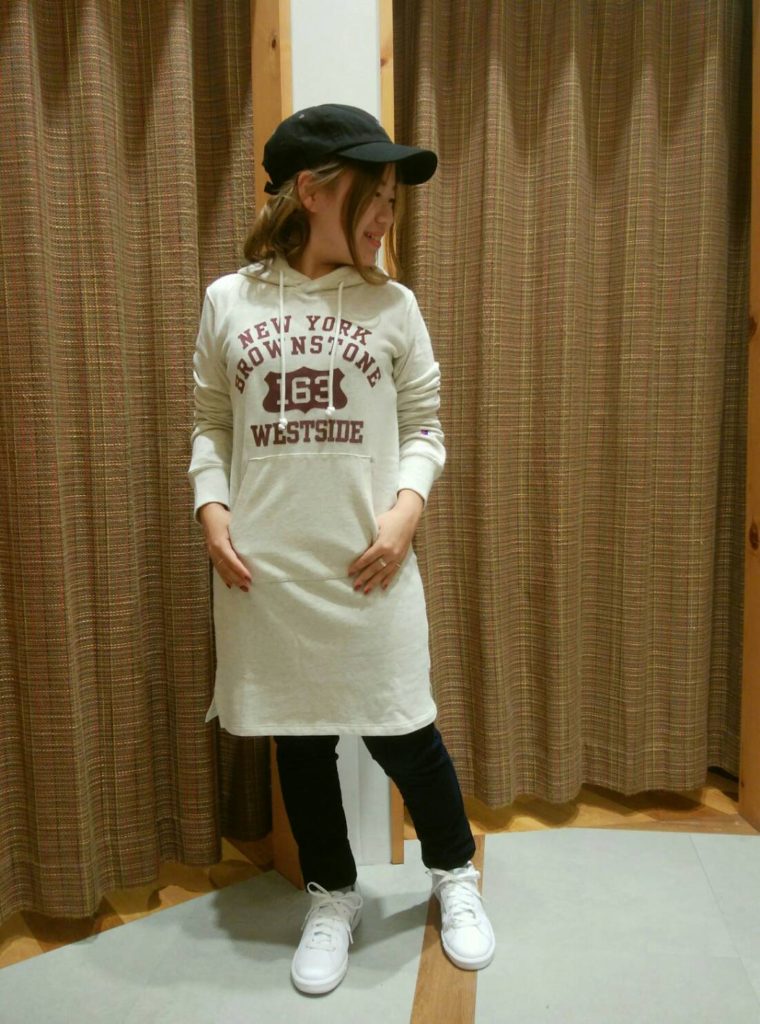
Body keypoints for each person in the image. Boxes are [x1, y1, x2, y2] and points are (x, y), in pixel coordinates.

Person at [188, 103, 495, 996]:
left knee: (407, 733)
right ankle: (333, 893)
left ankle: (454, 874)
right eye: (375, 193)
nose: (387, 214)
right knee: (300, 743)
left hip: (373, 569)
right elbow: (210, 423)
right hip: (270, 576)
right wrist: (211, 506)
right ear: (313, 191)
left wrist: (405, 512)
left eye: (395, 198)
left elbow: (426, 425)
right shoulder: (230, 300)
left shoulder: (394, 306)